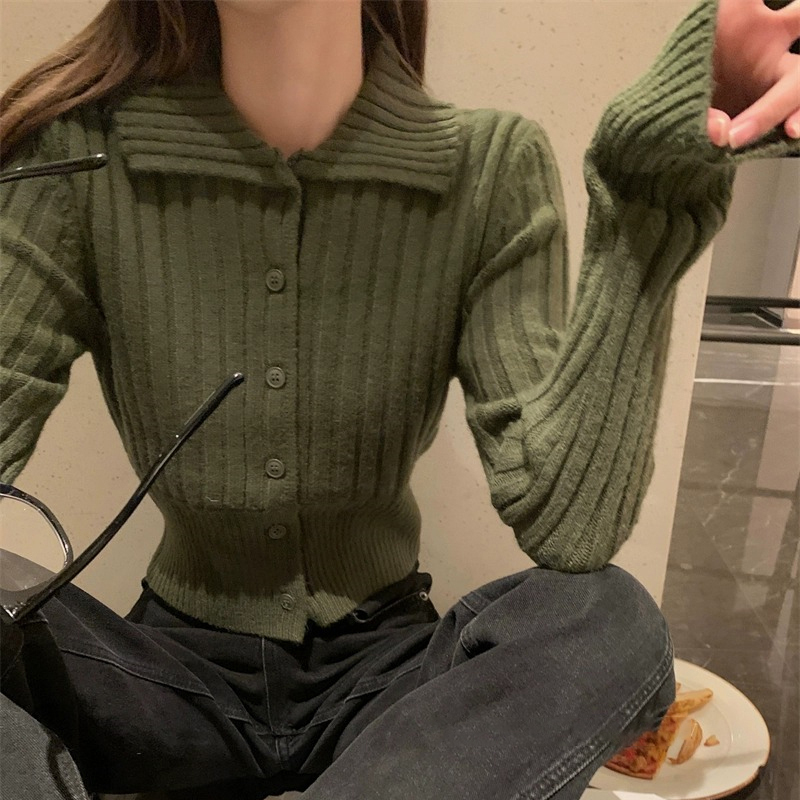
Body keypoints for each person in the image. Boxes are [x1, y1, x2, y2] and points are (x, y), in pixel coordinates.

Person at [1, 0, 798, 798]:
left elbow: (569, 529)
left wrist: (643, 202)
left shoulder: (488, 168)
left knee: (609, 620)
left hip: (387, 685)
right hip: (161, 685)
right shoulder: (79, 160)